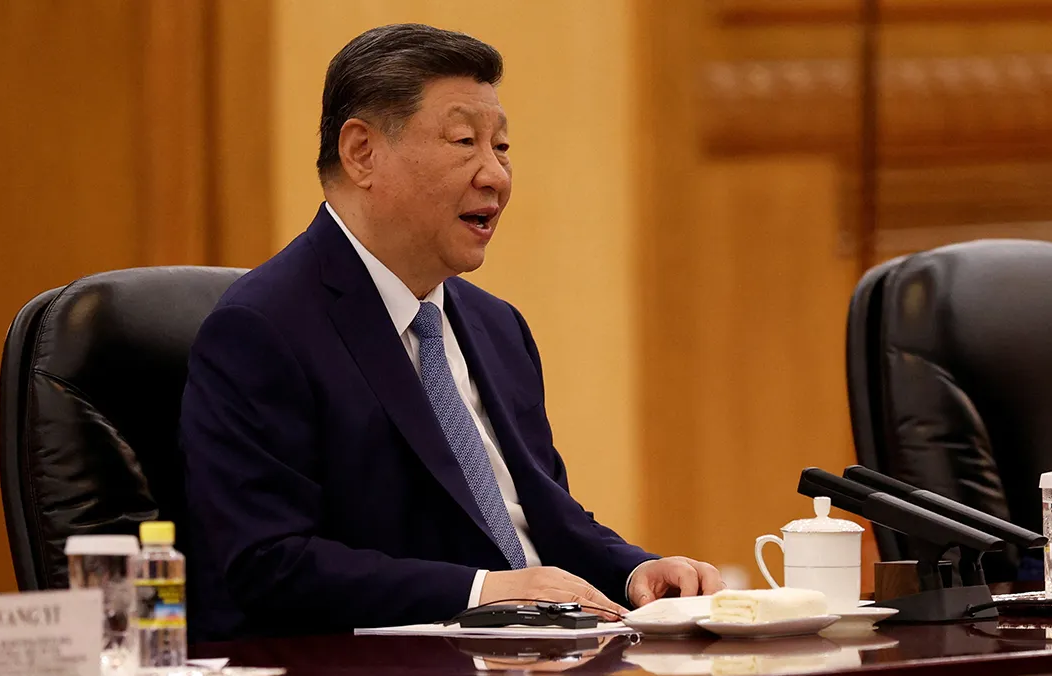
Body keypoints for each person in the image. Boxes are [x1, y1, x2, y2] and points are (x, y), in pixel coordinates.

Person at [181, 23, 724, 640]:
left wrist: (636, 571)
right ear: (361, 152)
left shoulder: (497, 326)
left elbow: (541, 512)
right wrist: (483, 591)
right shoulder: (261, 328)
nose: (495, 175)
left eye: (503, 147)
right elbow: (269, 561)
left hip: (539, 662)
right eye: (465, 141)